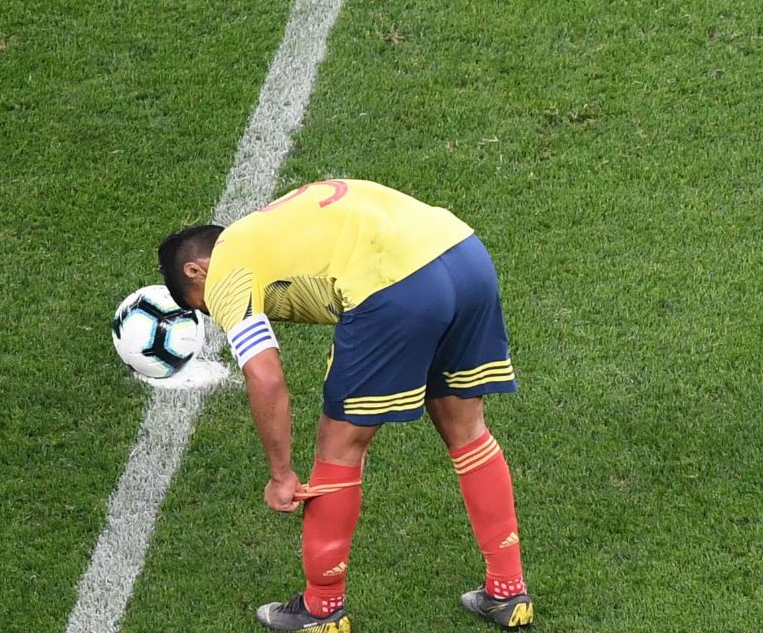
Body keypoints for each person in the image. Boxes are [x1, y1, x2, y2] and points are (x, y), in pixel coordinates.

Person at [160, 178, 533, 630]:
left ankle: (322, 609)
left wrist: (281, 475)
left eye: (200, 307)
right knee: (468, 431)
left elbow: (266, 376)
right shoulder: (271, 226)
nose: (211, 314)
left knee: (339, 448)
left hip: (396, 286)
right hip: (465, 254)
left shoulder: (223, 270)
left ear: (196, 272)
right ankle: (508, 593)